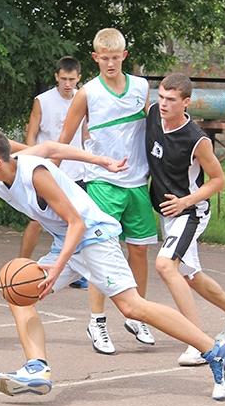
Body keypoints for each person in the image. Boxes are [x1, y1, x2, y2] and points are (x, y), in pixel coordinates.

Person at [0, 129, 225, 401]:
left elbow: (77, 222)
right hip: (66, 242)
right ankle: (37, 368)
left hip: (93, 236)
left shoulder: (35, 175)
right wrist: (100, 160)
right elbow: (51, 148)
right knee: (18, 294)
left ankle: (217, 350)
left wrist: (57, 267)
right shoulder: (1, 178)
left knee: (132, 307)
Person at [58, 28, 157, 354]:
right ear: (95, 57)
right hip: (101, 181)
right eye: (104, 58)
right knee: (101, 251)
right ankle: (97, 320)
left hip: (137, 182)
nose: (110, 63)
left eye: (115, 58)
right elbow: (64, 138)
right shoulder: (87, 93)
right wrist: (49, 176)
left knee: (139, 251)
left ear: (124, 56)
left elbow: (153, 129)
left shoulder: (141, 87)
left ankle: (137, 314)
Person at [146, 72, 225, 366]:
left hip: (190, 212)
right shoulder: (154, 114)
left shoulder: (196, 139)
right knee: (189, 276)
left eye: (171, 99)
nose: (164, 104)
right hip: (169, 213)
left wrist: (185, 201)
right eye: (161, 97)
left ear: (186, 102)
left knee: (165, 265)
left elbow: (219, 180)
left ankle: (197, 344)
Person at [20, 56, 88, 290]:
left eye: (72, 79)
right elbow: (32, 133)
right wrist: (29, 161)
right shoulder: (42, 101)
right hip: (47, 170)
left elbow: (86, 133)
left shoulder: (83, 99)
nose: (67, 83)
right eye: (63, 79)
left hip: (76, 171)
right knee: (36, 220)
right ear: (56, 77)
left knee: (75, 221)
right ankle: (21, 264)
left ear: (79, 78)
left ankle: (74, 271)